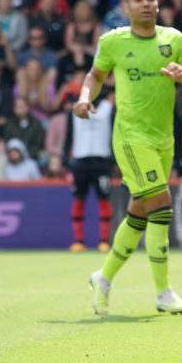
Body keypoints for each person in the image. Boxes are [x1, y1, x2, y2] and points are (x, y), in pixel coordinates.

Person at [76, 0, 182, 317]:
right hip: (131, 138)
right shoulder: (113, 42)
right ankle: (164, 292)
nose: (146, 3)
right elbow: (95, 75)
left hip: (164, 139)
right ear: (127, 7)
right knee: (162, 204)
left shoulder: (174, 39)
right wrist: (84, 98)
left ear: (158, 5)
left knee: (140, 211)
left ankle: (103, 279)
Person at [65, 90, 115, 252]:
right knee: (79, 199)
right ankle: (79, 241)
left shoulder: (109, 108)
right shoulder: (75, 108)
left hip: (102, 160)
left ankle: (104, 241)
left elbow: (115, 133)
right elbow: (69, 135)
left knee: (104, 198)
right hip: (81, 159)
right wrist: (67, 159)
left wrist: (114, 159)